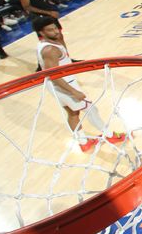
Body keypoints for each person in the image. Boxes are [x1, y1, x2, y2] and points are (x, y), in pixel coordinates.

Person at [33, 16, 125, 152]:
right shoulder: (50, 50)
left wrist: (57, 31)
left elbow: (61, 42)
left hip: (58, 84)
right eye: (50, 30)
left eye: (55, 27)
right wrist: (73, 91)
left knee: (73, 113)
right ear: (41, 33)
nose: (56, 31)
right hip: (62, 84)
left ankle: (83, 142)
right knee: (91, 109)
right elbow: (52, 75)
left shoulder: (51, 42)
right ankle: (109, 135)